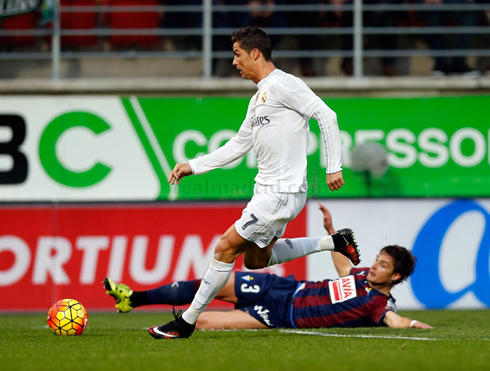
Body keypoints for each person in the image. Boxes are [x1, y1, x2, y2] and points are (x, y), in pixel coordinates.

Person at [145, 26, 359, 339]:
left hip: (280, 193)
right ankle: (334, 242)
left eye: (237, 54)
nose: (234, 62)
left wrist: (333, 166)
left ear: (254, 53)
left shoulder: (284, 84)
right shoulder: (258, 98)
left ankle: (186, 321)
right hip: (270, 193)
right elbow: (236, 146)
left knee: (224, 248)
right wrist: (193, 166)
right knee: (256, 260)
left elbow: (326, 115)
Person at [104, 204, 432, 331]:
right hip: (282, 288)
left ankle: (170, 326)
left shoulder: (379, 304)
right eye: (377, 259)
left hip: (278, 316)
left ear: (396, 276)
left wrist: (414, 324)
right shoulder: (362, 277)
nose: (374, 266)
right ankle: (133, 298)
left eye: (383, 265)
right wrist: (332, 234)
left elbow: (394, 320)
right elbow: (343, 265)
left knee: (201, 320)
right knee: (209, 283)